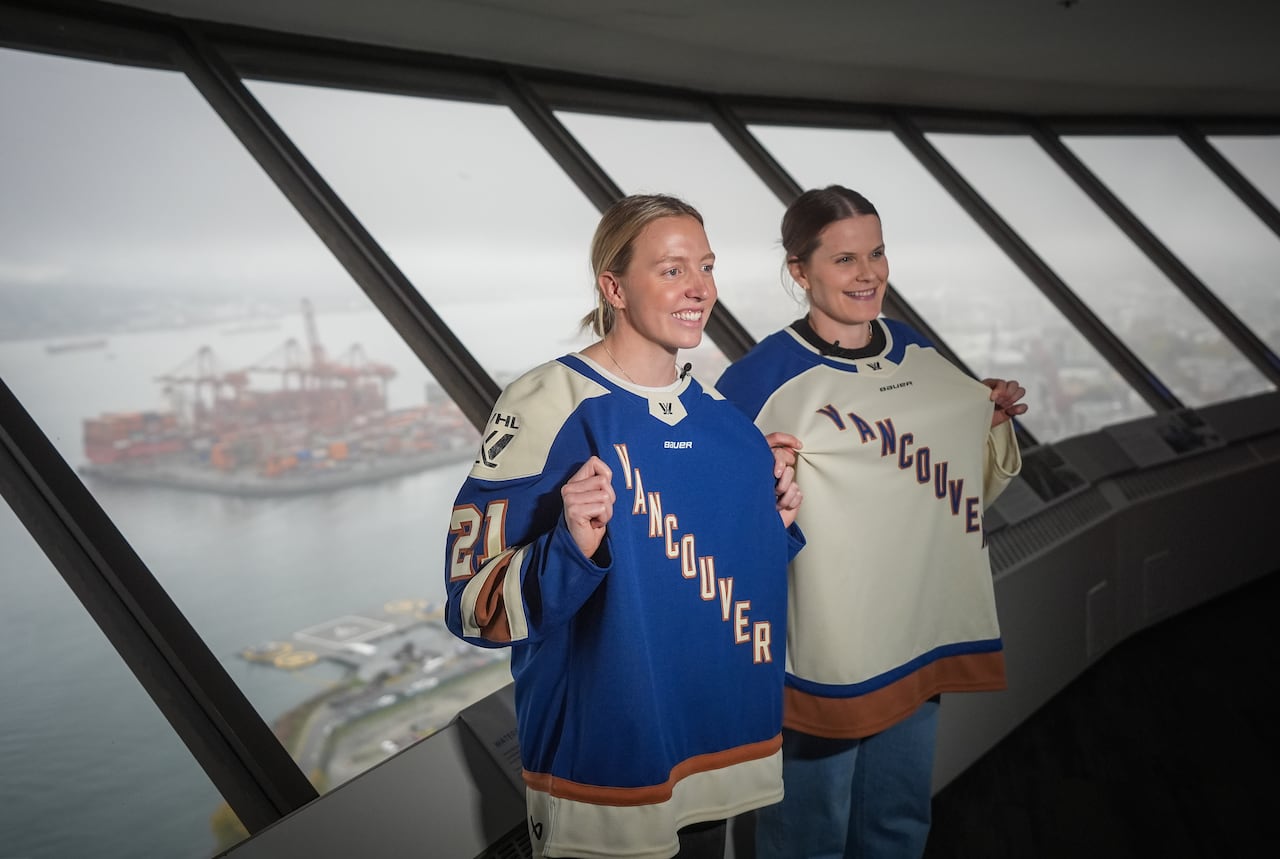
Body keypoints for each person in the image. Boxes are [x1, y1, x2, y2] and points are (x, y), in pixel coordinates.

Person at [444, 193, 806, 859]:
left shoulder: (724, 422)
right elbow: (473, 604)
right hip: (603, 760)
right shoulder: (546, 403)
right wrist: (572, 546)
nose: (700, 288)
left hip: (718, 742)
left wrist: (772, 526)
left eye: (706, 267)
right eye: (672, 270)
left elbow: (700, 581)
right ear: (614, 288)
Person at [715, 185, 1027, 859]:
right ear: (800, 270)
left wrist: (984, 421)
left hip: (917, 626)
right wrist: (755, 484)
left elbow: (959, 483)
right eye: (845, 259)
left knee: (899, 819)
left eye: (877, 253)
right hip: (825, 644)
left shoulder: (916, 350)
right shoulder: (756, 380)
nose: (868, 274)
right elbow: (712, 519)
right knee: (809, 834)